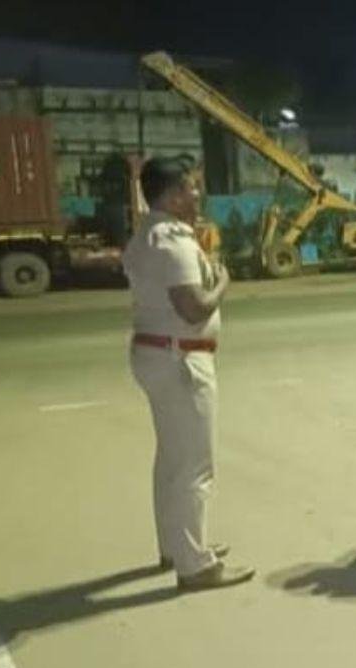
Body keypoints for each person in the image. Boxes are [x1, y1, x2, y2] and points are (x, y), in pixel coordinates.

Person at [123, 156, 254, 591]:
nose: (198, 195)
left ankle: (176, 547)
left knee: (171, 460)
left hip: (157, 352)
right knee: (195, 466)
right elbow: (193, 307)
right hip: (181, 359)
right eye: (192, 187)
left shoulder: (146, 234)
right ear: (175, 194)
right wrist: (223, 282)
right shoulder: (174, 242)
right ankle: (195, 566)